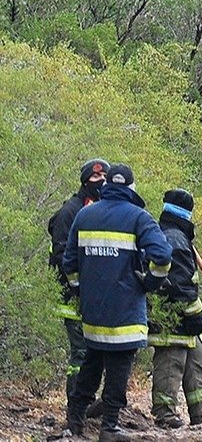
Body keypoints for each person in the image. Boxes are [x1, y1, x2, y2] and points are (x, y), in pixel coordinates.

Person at [61, 164, 173, 441]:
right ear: (131, 188)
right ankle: (109, 426)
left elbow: (69, 262)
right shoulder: (139, 218)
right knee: (119, 369)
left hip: (93, 311)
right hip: (125, 312)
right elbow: (162, 257)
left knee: (91, 361)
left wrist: (80, 290)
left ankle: (74, 422)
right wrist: (150, 283)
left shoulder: (85, 215)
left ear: (107, 185)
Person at [149, 189, 202, 429]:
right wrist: (194, 314)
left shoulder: (176, 236)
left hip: (183, 317)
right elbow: (181, 285)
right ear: (186, 214)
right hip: (172, 317)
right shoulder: (174, 240)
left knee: (197, 360)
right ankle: (164, 414)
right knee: (171, 362)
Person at [48, 158, 109, 414]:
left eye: (104, 178)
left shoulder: (99, 208)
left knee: (96, 351)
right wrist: (77, 288)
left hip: (94, 297)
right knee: (81, 352)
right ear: (85, 182)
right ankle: (75, 403)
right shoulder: (70, 211)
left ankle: (85, 401)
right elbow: (63, 257)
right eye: (95, 179)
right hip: (71, 297)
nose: (101, 182)